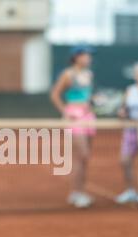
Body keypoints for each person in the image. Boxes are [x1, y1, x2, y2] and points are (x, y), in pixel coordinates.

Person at [50, 46, 96, 208]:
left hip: (88, 116)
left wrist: (92, 103)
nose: (89, 58)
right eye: (85, 55)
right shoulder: (68, 74)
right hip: (74, 115)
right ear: (76, 57)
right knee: (82, 154)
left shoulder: (89, 74)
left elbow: (88, 96)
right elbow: (55, 94)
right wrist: (65, 111)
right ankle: (77, 192)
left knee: (85, 157)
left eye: (89, 55)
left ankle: (79, 192)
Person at [115, 62, 138, 204]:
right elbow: (124, 108)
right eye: (136, 74)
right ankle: (130, 190)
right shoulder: (130, 90)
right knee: (125, 161)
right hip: (131, 130)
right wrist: (122, 112)